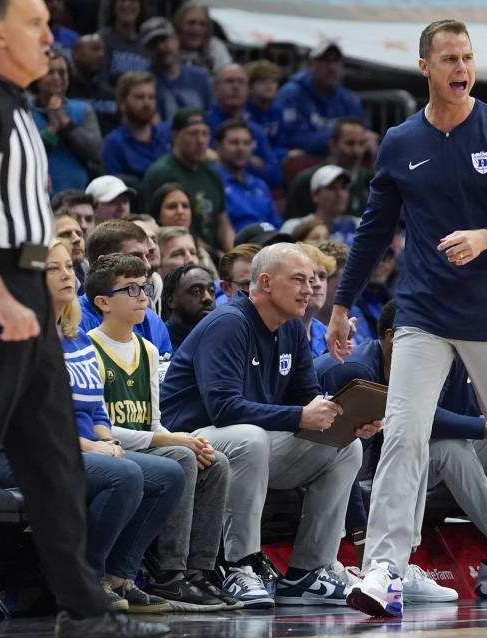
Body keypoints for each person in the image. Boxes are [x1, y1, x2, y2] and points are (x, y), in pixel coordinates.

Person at [328, 20, 487, 617]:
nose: (462, 68)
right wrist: (339, 303)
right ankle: (386, 567)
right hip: (424, 311)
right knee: (404, 433)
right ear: (425, 68)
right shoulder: (401, 141)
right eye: (450, 58)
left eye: (468, 57)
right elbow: (373, 230)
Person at [0, 0, 167, 635]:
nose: (51, 36)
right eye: (35, 24)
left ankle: (84, 604)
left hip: (26, 289)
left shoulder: (19, 105)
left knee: (53, 462)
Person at [161, 243, 382, 608]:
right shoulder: (228, 323)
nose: (309, 290)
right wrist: (300, 417)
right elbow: (224, 409)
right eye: (298, 280)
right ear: (264, 282)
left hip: (250, 444)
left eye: (311, 281)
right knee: (251, 438)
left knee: (345, 448)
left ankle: (309, 571)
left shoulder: (292, 328)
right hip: (191, 442)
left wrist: (346, 421)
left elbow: (307, 397)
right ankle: (239, 565)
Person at [0, 241, 182, 614]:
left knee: (170, 474)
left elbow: (96, 406)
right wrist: (84, 446)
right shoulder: (16, 336)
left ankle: (119, 576)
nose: (68, 274)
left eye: (69, 266)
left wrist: (105, 438)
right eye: (53, 269)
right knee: (124, 475)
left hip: (73, 446)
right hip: (17, 455)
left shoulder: (75, 335)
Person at [83, 254, 235, 611]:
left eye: (145, 287)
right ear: (102, 302)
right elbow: (95, 427)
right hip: (108, 450)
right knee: (181, 456)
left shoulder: (149, 350)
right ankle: (169, 574)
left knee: (214, 461)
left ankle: (201, 572)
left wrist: (179, 438)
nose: (142, 296)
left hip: (142, 447)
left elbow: (152, 423)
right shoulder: (88, 347)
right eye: (131, 288)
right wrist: (171, 440)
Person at [140, 108, 232, 252]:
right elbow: (163, 227)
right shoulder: (161, 173)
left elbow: (224, 227)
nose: (201, 140)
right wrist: (215, 256)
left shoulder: (212, 174)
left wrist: (233, 257)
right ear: (175, 136)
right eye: (193, 134)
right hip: (176, 249)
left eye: (205, 134)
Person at [83, 219, 173, 357]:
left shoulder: (151, 320)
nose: (147, 265)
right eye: (136, 256)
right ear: (104, 262)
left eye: (147, 255)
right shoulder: (75, 319)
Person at [276, 38, 368, 157]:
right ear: (311, 64)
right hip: (308, 161)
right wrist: (340, 136)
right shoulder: (291, 94)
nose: (331, 68)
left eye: (336, 61)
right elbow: (293, 138)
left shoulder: (349, 99)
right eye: (325, 61)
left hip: (343, 161)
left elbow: (363, 132)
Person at [29, 48, 102, 193]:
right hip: (38, 194)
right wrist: (52, 129)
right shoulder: (25, 111)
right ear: (37, 76)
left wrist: (65, 122)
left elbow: (94, 151)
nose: (57, 77)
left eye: (62, 72)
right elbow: (25, 154)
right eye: (50, 72)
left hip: (78, 196)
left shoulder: (83, 110)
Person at [207, 65, 283, 188]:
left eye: (241, 82)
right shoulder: (203, 126)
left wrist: (230, 160)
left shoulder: (255, 129)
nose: (236, 87)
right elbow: (208, 170)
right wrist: (250, 162)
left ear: (248, 90)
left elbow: (276, 175)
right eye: (229, 81)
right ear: (216, 88)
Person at [282, 116, 372, 221]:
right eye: (349, 143)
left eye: (361, 144)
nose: (357, 151)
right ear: (332, 145)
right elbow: (291, 227)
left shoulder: (368, 179)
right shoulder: (305, 180)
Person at [213, 119, 281, 231]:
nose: (241, 148)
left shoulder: (260, 185)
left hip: (270, 243)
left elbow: (277, 225)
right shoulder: (212, 181)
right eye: (234, 142)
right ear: (218, 145)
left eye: (246, 143)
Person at [102, 72, 172, 181]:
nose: (146, 103)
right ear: (122, 103)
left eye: (151, 97)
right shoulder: (113, 144)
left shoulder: (168, 133)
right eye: (139, 97)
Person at [141, 16, 211, 121]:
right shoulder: (144, 82)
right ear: (146, 51)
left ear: (177, 40)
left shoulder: (199, 77)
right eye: (153, 43)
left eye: (164, 39)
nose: (160, 47)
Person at [280, 165, 361, 245]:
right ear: (315, 194)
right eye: (331, 187)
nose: (339, 194)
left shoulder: (361, 225)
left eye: (343, 187)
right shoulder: (293, 227)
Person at [69, 33, 119, 134]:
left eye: (103, 51)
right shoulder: (64, 91)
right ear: (76, 53)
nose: (101, 54)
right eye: (94, 49)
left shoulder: (110, 94)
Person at [162, 263, 216, 349]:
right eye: (196, 291)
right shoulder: (158, 342)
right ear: (171, 301)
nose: (208, 298)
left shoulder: (221, 338)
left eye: (211, 291)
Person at [173, 1, 231, 77]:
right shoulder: (169, 48)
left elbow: (228, 76)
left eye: (202, 24)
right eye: (191, 23)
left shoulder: (215, 47)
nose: (196, 29)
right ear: (179, 25)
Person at [97, 0, 150, 83]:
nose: (126, 4)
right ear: (113, 6)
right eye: (121, 1)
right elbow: (100, 83)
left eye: (132, 1)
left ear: (140, 6)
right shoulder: (102, 39)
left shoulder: (148, 40)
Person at [243, 59, 286, 152]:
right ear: (249, 86)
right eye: (262, 80)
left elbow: (281, 145)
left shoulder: (277, 111)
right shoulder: (242, 111)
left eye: (273, 80)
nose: (269, 84)